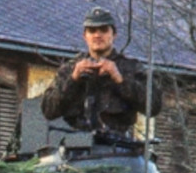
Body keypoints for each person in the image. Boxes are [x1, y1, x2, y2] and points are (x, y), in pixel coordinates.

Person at [41, 7, 161, 135]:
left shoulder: (131, 68)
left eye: (104, 30)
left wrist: (120, 80)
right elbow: (48, 110)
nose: (98, 35)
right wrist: (73, 79)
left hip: (118, 147)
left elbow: (153, 106)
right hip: (77, 146)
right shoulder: (70, 69)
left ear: (114, 35)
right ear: (85, 36)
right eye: (92, 31)